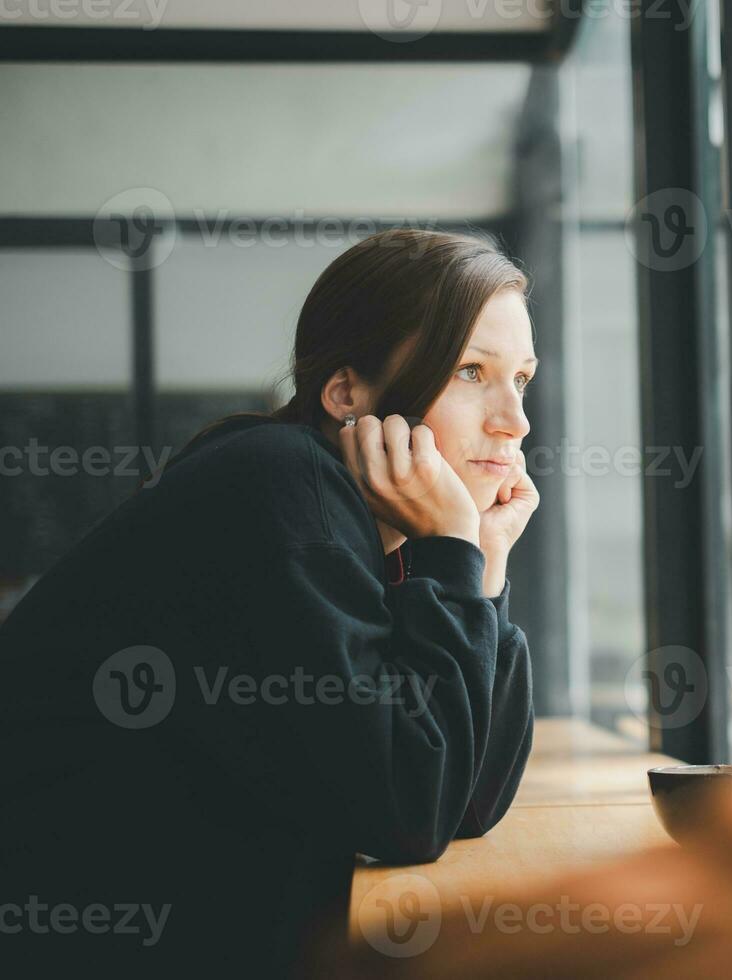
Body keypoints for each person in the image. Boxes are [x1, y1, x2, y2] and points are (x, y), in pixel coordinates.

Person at [0, 229, 540, 976]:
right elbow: (412, 813)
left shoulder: (342, 520)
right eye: (471, 371)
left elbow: (467, 801)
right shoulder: (281, 484)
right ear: (346, 393)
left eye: (522, 379)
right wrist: (452, 552)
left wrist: (482, 561)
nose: (514, 421)